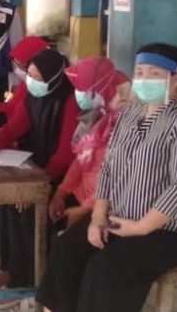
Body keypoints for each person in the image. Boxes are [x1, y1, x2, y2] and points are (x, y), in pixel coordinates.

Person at [36, 43, 177, 312]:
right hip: (120, 219)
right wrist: (97, 217)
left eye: (155, 73)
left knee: (107, 268)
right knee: (66, 249)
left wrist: (141, 227)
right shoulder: (130, 114)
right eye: (140, 72)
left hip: (171, 232)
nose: (144, 79)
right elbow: (108, 167)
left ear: (175, 79)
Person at [0, 49, 79, 306]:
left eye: (37, 77)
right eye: (30, 75)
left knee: (26, 211)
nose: (31, 81)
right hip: (37, 168)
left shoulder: (70, 101)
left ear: (55, 77)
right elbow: (14, 127)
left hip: (62, 178)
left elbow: (65, 156)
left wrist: (33, 187)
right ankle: (7, 270)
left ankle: (25, 285)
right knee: (8, 202)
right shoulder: (33, 95)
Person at [49, 57, 131, 229]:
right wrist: (61, 192)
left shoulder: (127, 124)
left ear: (101, 89)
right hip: (83, 194)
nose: (78, 95)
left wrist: (84, 209)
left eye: (83, 90)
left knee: (62, 239)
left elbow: (118, 179)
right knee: (39, 218)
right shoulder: (101, 116)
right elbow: (82, 159)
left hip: (109, 206)